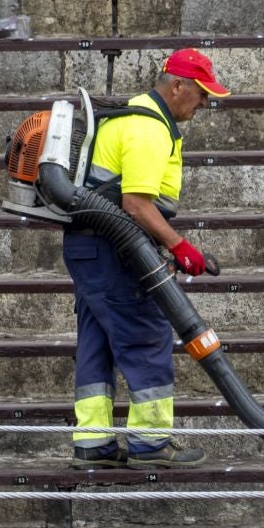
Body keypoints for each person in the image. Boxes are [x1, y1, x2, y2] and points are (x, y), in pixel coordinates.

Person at [63, 47, 229, 468]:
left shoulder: (133, 115)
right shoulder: (148, 128)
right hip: (114, 249)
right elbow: (136, 204)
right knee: (147, 334)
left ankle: (93, 441)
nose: (205, 103)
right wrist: (179, 246)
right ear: (178, 86)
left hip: (91, 247)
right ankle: (151, 443)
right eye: (202, 94)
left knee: (97, 341)